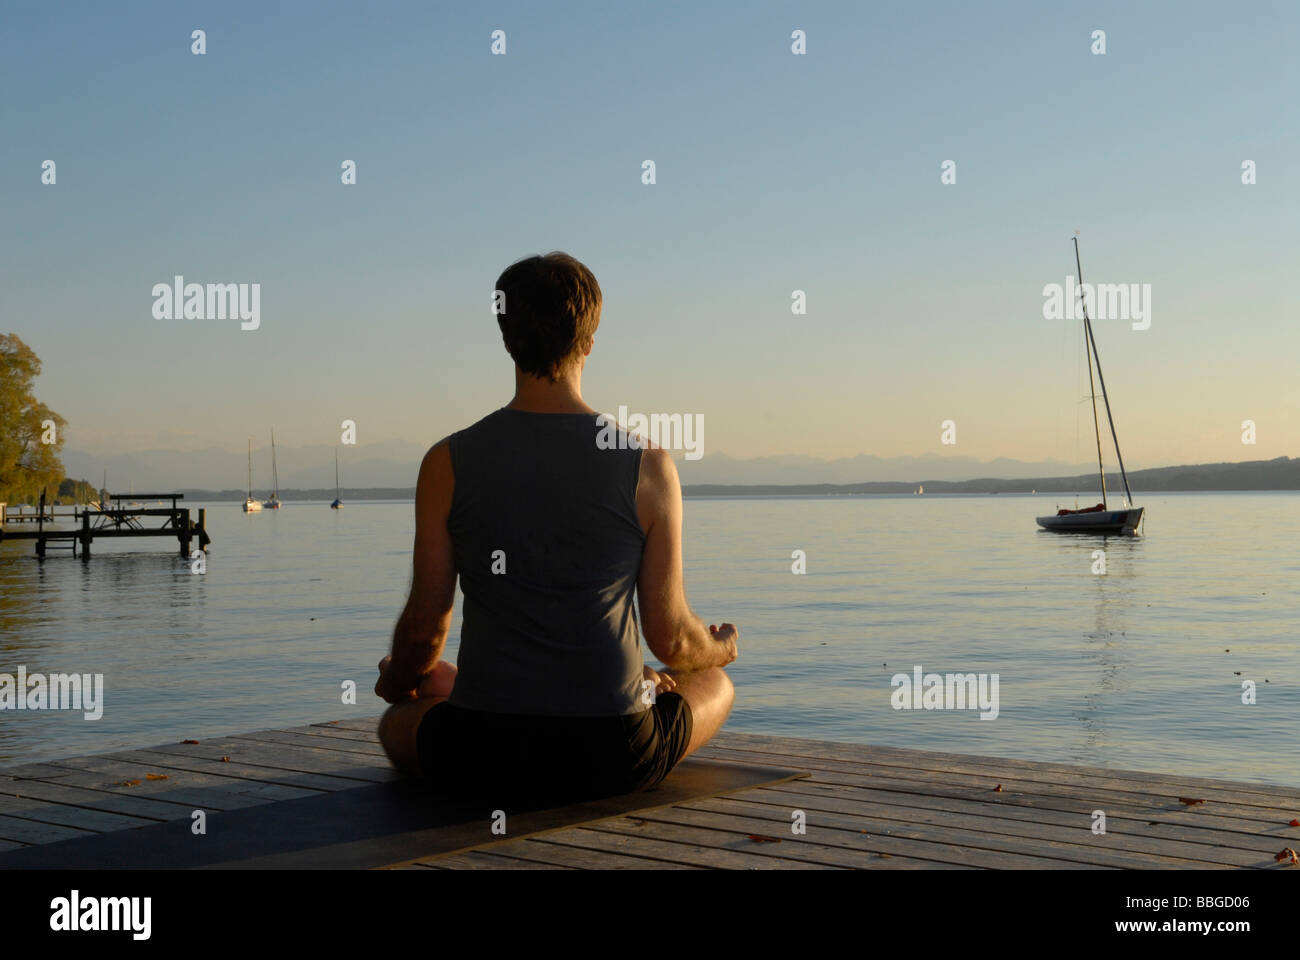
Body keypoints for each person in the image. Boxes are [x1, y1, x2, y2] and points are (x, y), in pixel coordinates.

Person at [374, 252, 738, 811]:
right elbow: (672, 641)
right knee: (716, 686)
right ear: (590, 341)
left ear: (507, 340)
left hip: (482, 751)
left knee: (399, 720)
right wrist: (719, 647)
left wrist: (399, 681)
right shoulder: (648, 465)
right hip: (611, 754)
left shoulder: (446, 462)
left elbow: (427, 627)